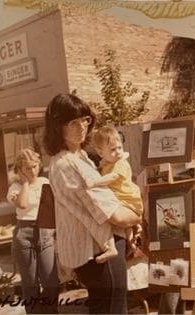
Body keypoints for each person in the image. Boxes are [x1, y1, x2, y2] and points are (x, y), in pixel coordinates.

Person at [44, 93, 141, 314]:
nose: (81, 127)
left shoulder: (81, 157)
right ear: (57, 127)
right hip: (97, 250)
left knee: (105, 308)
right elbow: (113, 214)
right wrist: (136, 213)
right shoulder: (66, 163)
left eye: (84, 120)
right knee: (114, 309)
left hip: (99, 247)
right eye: (72, 123)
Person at [7, 149, 59, 314]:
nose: (32, 171)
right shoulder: (15, 187)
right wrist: (25, 183)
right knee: (30, 283)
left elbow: (54, 208)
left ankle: (50, 311)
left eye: (35, 166)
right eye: (27, 168)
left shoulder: (45, 182)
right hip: (24, 233)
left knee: (51, 280)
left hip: (45, 231)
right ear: (20, 169)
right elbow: (22, 204)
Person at [92, 126, 143, 263]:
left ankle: (115, 245)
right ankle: (132, 244)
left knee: (106, 217)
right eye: (113, 150)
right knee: (124, 227)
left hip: (127, 200)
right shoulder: (106, 164)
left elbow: (112, 178)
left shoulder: (120, 163)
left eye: (119, 147)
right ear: (100, 152)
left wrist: (94, 183)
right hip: (120, 200)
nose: (118, 152)